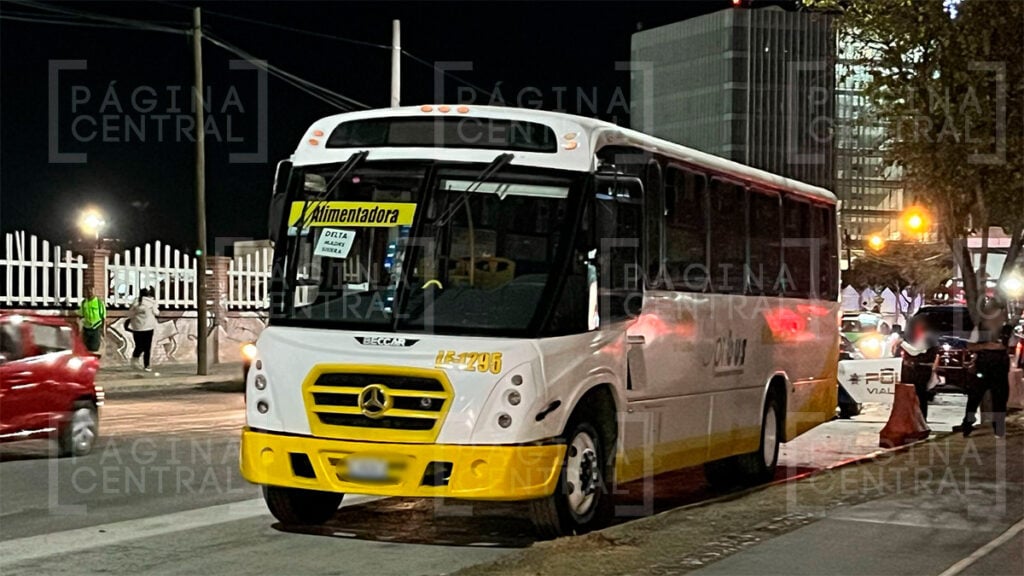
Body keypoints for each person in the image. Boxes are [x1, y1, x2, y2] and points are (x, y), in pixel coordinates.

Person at [962, 299, 1012, 438]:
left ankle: (999, 429)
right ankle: (967, 424)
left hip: (1000, 369)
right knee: (974, 398)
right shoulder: (980, 328)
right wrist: (987, 346)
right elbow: (970, 345)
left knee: (1000, 399)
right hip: (982, 368)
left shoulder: (1007, 329)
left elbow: (1010, 346)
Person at [895, 323, 940, 420]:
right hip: (921, 370)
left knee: (920, 395)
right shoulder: (930, 337)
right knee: (919, 395)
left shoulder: (928, 338)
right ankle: (919, 419)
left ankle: (921, 419)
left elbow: (914, 352)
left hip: (921, 371)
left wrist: (901, 343)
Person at [127, 287, 159, 371]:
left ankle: (134, 359)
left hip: (137, 327)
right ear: (149, 294)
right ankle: (147, 365)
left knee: (139, 345)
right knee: (147, 347)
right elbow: (156, 312)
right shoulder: (152, 302)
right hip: (148, 327)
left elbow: (130, 314)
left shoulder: (136, 302)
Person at [78, 286, 106, 355]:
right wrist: (80, 329)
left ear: (95, 292)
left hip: (96, 327)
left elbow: (103, 317)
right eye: (88, 291)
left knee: (94, 348)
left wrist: (103, 329)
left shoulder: (99, 302)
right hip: (86, 328)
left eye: (91, 291)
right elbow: (81, 316)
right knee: (85, 348)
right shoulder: (84, 303)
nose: (90, 293)